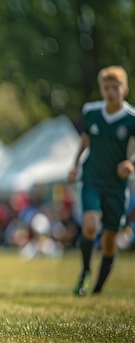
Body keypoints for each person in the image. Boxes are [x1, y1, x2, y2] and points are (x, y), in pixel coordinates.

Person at [68, 65, 135, 296]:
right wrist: (76, 164)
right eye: (105, 88)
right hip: (92, 178)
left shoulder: (131, 118)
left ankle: (98, 288)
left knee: (109, 240)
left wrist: (131, 163)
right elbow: (84, 141)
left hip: (116, 186)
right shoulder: (91, 112)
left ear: (124, 89)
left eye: (115, 87)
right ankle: (85, 271)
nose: (110, 92)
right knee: (89, 226)